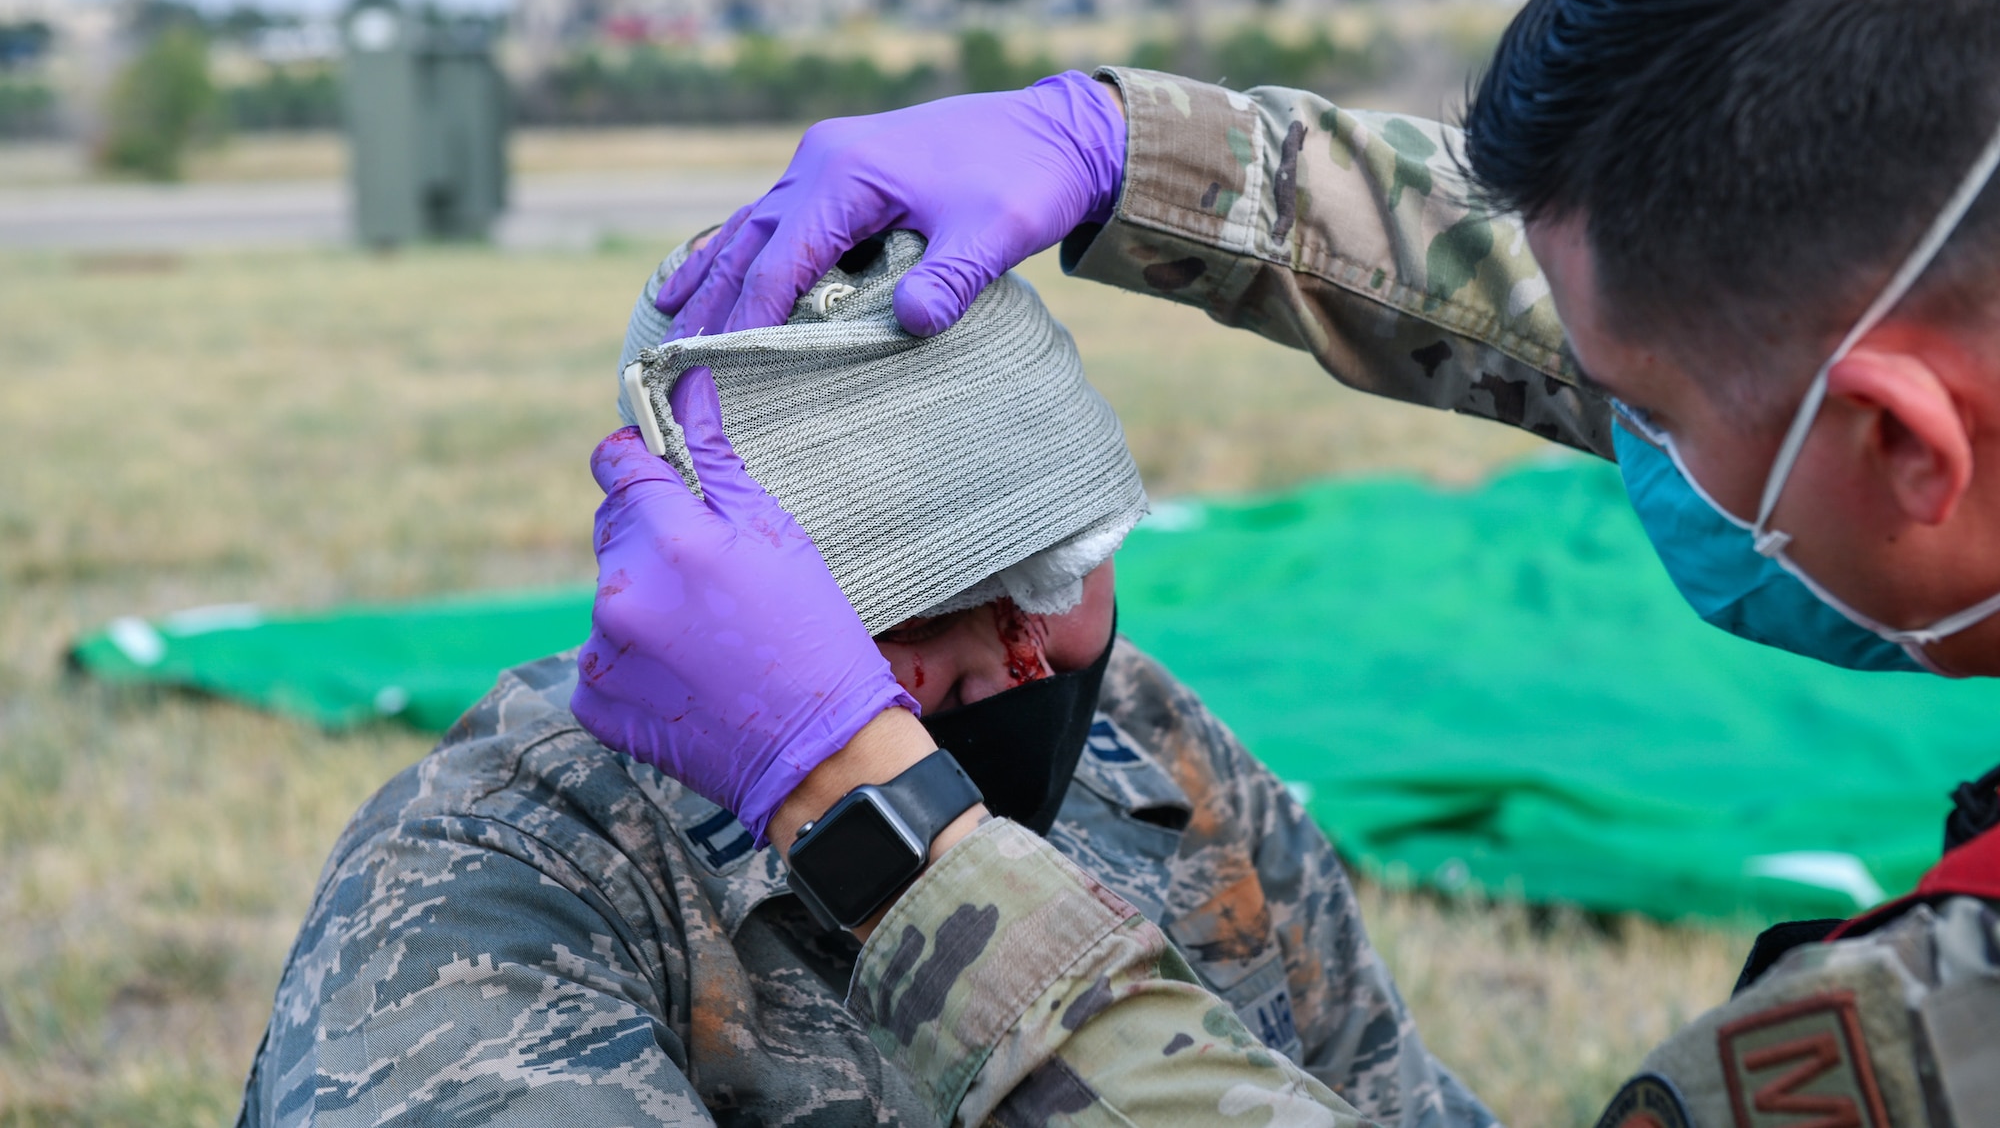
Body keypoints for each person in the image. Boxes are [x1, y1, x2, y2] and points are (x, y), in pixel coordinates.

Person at [574, 0, 2000, 1124]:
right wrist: (1148, 157)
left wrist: (866, 818)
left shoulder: (1951, 1018)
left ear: (1907, 447)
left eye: (1651, 417)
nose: (1629, 446)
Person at [235, 235, 1493, 1128]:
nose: (1028, 666)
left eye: (1056, 584)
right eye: (921, 615)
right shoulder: (503, 875)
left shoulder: (1149, 752)